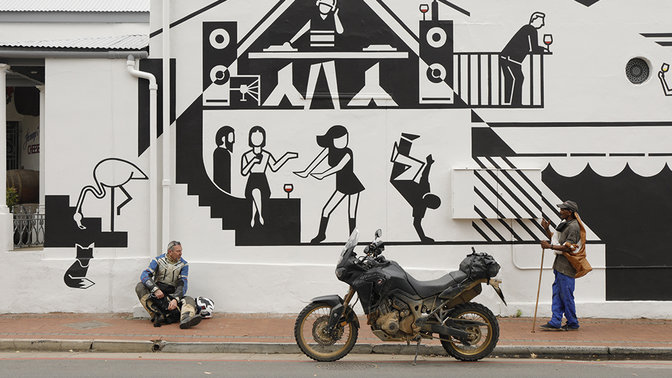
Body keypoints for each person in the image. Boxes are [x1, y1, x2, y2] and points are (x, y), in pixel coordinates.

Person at [295, 125, 364, 243]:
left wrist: (323, 174)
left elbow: (339, 167)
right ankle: (321, 235)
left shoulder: (348, 152)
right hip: (341, 184)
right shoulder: (329, 149)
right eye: (340, 139)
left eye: (345, 138)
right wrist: (306, 172)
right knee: (326, 209)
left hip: (352, 184)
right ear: (332, 140)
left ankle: (351, 240)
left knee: (351, 214)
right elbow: (317, 160)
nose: (344, 141)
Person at [284, 0, 344, 109]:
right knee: (311, 83)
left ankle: (337, 108)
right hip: (315, 56)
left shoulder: (333, 19)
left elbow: (340, 31)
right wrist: (290, 42)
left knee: (332, 84)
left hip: (328, 56)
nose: (324, 8)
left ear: (332, 8)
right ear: (318, 4)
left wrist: (336, 15)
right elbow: (302, 30)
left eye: (327, 6)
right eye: (323, 5)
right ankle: (306, 108)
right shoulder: (313, 19)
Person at [135, 241, 202, 329]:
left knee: (189, 300)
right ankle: (157, 314)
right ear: (170, 252)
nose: (180, 253)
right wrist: (155, 289)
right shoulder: (157, 260)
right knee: (140, 286)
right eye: (178, 251)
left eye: (181, 251)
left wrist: (175, 299)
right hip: (158, 294)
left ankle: (186, 319)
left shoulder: (184, 264)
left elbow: (183, 283)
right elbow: (144, 275)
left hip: (172, 294)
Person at [240, 126, 298, 227]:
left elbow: (274, 167)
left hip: (263, 182)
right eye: (254, 137)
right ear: (250, 138)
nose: (257, 139)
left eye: (259, 137)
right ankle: (261, 216)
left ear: (263, 139)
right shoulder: (246, 155)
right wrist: (253, 161)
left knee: (257, 193)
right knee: (255, 192)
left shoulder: (266, 155)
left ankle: (254, 217)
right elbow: (244, 172)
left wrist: (287, 156)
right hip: (252, 181)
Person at [539, 200, 582, 331]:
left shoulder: (574, 227)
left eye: (563, 210)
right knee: (557, 294)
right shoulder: (565, 224)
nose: (560, 212)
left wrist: (550, 246)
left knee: (566, 296)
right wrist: (546, 229)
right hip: (559, 266)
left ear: (570, 212)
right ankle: (556, 321)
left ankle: (573, 323)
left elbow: (570, 248)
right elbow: (555, 239)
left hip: (567, 268)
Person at [389, 134, 440, 243]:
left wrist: (423, 238)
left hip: (398, 180)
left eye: (430, 200)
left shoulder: (420, 207)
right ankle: (405, 140)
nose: (430, 196)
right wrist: (429, 164)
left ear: (428, 204)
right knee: (418, 166)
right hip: (405, 179)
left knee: (416, 165)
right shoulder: (426, 190)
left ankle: (398, 155)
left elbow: (416, 224)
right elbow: (425, 175)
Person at [499, 12, 547, 106]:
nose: (543, 24)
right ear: (534, 19)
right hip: (510, 59)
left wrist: (542, 48)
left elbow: (533, 47)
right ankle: (515, 103)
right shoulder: (531, 29)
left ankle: (508, 102)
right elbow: (534, 48)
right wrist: (544, 49)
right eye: (541, 21)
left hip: (506, 57)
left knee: (510, 79)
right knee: (518, 78)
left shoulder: (527, 28)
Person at [213, 126, 235, 193]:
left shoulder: (220, 152)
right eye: (231, 138)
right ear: (223, 138)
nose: (233, 141)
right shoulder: (223, 153)